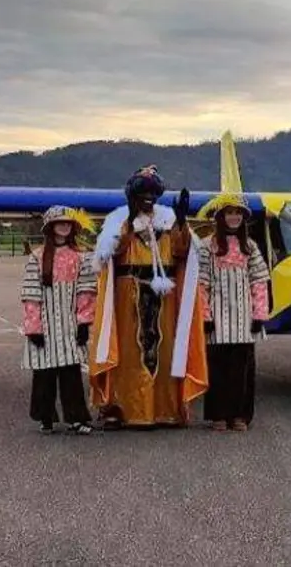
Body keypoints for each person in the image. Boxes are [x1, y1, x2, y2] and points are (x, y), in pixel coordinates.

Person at [87, 166, 208, 429]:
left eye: (153, 193)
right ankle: (124, 408)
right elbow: (112, 251)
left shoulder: (168, 220)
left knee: (164, 350)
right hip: (128, 294)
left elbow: (181, 252)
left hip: (164, 297)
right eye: (143, 193)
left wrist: (182, 222)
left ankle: (165, 409)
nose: (148, 198)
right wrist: (129, 223)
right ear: (133, 195)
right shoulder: (118, 220)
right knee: (130, 351)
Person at [20, 205, 97, 435]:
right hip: (45, 324)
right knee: (44, 373)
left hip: (69, 324)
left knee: (71, 373)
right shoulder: (37, 257)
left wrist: (84, 322)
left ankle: (76, 418)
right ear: (50, 227)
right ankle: (46, 417)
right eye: (59, 223)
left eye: (67, 223)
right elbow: (31, 293)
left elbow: (86, 290)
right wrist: (34, 327)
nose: (64, 226)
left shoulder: (81, 257)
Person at [197, 193, 270, 431]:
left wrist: (259, 315)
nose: (234, 217)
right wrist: (205, 316)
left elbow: (259, 282)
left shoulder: (250, 247)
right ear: (220, 216)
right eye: (229, 212)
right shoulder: (207, 246)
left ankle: (240, 415)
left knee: (242, 370)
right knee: (218, 369)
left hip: (243, 320)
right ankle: (218, 414)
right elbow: (201, 284)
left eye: (238, 213)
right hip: (217, 318)